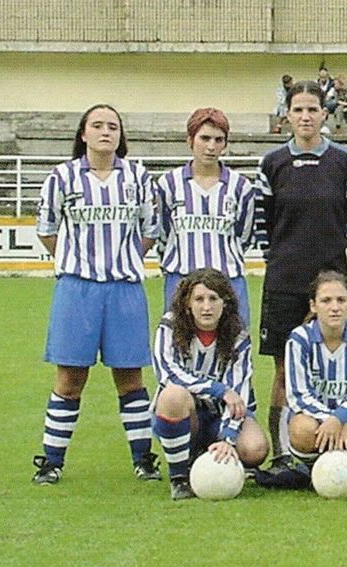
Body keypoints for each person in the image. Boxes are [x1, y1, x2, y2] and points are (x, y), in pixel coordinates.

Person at [31, 103, 161, 485]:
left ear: (121, 136)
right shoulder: (62, 177)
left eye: (113, 126)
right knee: (70, 378)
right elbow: (47, 228)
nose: (106, 132)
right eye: (98, 125)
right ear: (83, 134)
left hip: (124, 290)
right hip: (78, 290)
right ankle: (52, 462)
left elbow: (150, 231)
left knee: (130, 379)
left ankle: (143, 459)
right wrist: (77, 260)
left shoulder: (137, 177)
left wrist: (120, 259)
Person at [255, 80, 347, 477]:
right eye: (297, 109)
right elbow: (263, 221)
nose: (305, 116)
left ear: (324, 114)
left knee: (342, 365)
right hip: (284, 279)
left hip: (332, 280)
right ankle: (283, 454)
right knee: (284, 369)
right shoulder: (272, 163)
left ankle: (344, 447)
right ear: (288, 114)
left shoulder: (344, 162)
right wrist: (281, 255)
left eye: (312, 109)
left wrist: (327, 261)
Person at [263, 271, 347, 488]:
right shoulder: (299, 339)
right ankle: (312, 469)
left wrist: (340, 418)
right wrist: (331, 420)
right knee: (300, 428)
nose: (335, 307)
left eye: (341, 300)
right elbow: (299, 396)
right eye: (326, 300)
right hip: (317, 420)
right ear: (313, 306)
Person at [152, 268, 268, 500]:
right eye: (199, 299)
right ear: (187, 303)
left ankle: (219, 452)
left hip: (222, 415)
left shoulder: (238, 336)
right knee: (173, 396)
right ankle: (180, 477)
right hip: (186, 412)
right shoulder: (170, 326)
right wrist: (219, 389)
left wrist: (227, 438)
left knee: (255, 448)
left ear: (224, 303)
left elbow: (239, 391)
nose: (207, 307)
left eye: (213, 299)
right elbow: (168, 372)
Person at [155, 107, 256, 325]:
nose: (211, 146)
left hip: (228, 281)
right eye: (205, 138)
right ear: (190, 140)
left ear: (225, 144)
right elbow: (163, 234)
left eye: (218, 140)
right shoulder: (169, 184)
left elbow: (243, 237)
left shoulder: (241, 187)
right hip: (180, 280)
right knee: (179, 349)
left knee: (233, 350)